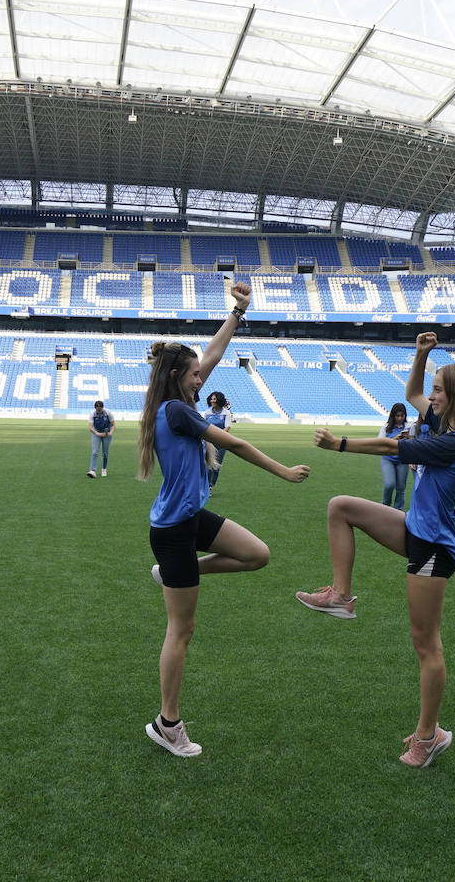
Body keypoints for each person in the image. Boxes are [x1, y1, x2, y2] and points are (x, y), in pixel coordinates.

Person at [294, 332, 455, 769]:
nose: (431, 396)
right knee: (340, 508)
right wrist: (422, 355)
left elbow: (390, 446)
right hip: (415, 529)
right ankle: (341, 597)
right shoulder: (445, 425)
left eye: (440, 390)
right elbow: (412, 393)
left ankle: (429, 735)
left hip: (434, 547)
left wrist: (339, 444)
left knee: (426, 645)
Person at [136, 285, 311, 758]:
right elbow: (234, 444)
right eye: (195, 375)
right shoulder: (175, 410)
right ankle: (167, 723)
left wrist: (238, 312)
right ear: (178, 377)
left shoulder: (177, 399)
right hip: (174, 531)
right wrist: (282, 471)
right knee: (181, 631)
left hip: (191, 518)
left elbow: (211, 351)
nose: (203, 378)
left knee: (257, 555)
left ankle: (173, 576)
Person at [379, 402, 411, 509]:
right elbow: (380, 444)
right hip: (388, 459)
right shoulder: (386, 427)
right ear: (393, 415)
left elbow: (414, 444)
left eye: (402, 415)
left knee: (401, 488)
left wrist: (409, 439)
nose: (400, 418)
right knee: (389, 484)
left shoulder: (408, 427)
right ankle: (385, 507)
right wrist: (395, 439)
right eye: (397, 416)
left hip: (403, 459)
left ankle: (398, 511)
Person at [201, 391, 232, 489]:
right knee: (208, 464)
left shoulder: (226, 413)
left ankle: (210, 486)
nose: (212, 401)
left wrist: (217, 437)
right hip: (209, 442)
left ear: (219, 400)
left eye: (214, 399)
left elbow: (227, 427)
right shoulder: (207, 413)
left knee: (216, 466)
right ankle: (205, 486)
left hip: (222, 442)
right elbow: (203, 426)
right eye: (211, 399)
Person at [87, 399, 114, 477]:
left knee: (105, 453)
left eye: (100, 410)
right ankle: (93, 470)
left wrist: (110, 433)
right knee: (95, 452)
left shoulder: (108, 413)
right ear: (95, 408)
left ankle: (104, 469)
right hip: (96, 433)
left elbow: (113, 425)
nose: (99, 412)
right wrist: (97, 433)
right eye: (97, 410)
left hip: (107, 434)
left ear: (102, 408)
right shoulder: (92, 414)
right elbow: (90, 427)